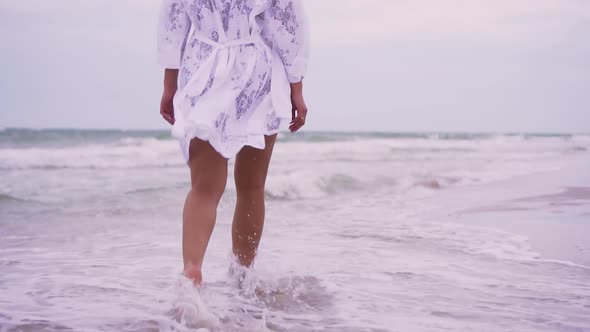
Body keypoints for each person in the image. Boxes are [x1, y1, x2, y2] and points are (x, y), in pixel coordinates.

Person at [157, 0, 310, 285]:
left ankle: (191, 272)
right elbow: (288, 24)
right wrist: (296, 88)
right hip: (258, 70)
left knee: (203, 188)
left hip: (204, 68)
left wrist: (169, 84)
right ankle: (243, 277)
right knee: (251, 187)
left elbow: (174, 22)